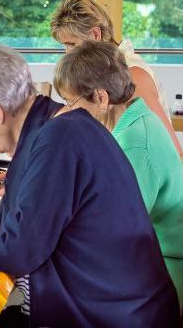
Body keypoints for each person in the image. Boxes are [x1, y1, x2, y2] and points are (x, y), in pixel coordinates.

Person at [0, 41, 178, 326]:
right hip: (108, 306)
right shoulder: (55, 127)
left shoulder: (58, 139)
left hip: (114, 317)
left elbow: (18, 253)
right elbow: (43, 226)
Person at [54, 40, 183, 306]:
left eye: (70, 101)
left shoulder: (135, 143)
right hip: (155, 254)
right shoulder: (135, 117)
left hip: (167, 266)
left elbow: (114, 230)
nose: (67, 111)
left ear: (101, 98)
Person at [50, 0, 182, 157]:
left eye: (72, 44)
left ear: (96, 34)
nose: (67, 54)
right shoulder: (106, 72)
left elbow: (171, 150)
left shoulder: (132, 74)